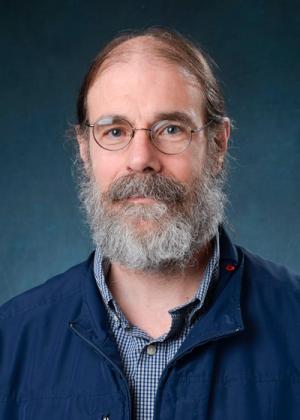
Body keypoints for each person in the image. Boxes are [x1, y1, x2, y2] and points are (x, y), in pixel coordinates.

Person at [0, 27, 299, 420]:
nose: (141, 158)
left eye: (171, 129)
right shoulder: (10, 341)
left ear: (218, 146)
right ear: (84, 150)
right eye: (115, 131)